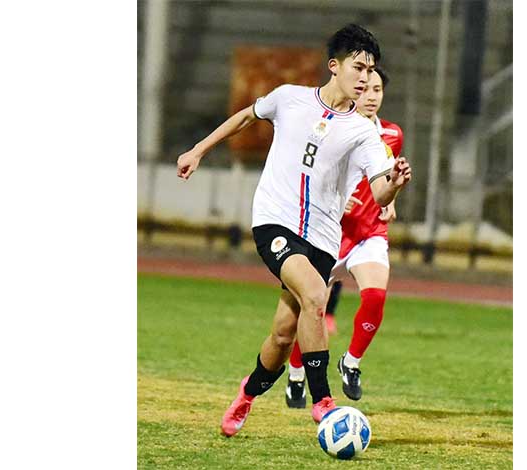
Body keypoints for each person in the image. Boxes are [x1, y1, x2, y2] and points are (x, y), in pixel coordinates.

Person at [175, 24, 412, 437]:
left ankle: (248, 392)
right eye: (358, 68)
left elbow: (379, 192)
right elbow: (246, 116)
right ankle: (323, 401)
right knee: (317, 295)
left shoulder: (364, 133)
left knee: (283, 336)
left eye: (370, 70)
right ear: (334, 66)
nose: (365, 78)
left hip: (322, 239)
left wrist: (394, 183)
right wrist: (198, 150)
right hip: (275, 222)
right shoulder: (289, 98)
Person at [285, 67, 402, 408]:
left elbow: (387, 176)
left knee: (376, 296)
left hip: (369, 233)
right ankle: (296, 373)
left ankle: (351, 363)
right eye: (365, 90)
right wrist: (337, 199)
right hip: (330, 234)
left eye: (378, 90)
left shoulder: (392, 134)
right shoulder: (334, 130)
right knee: (312, 309)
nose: (371, 96)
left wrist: (391, 201)